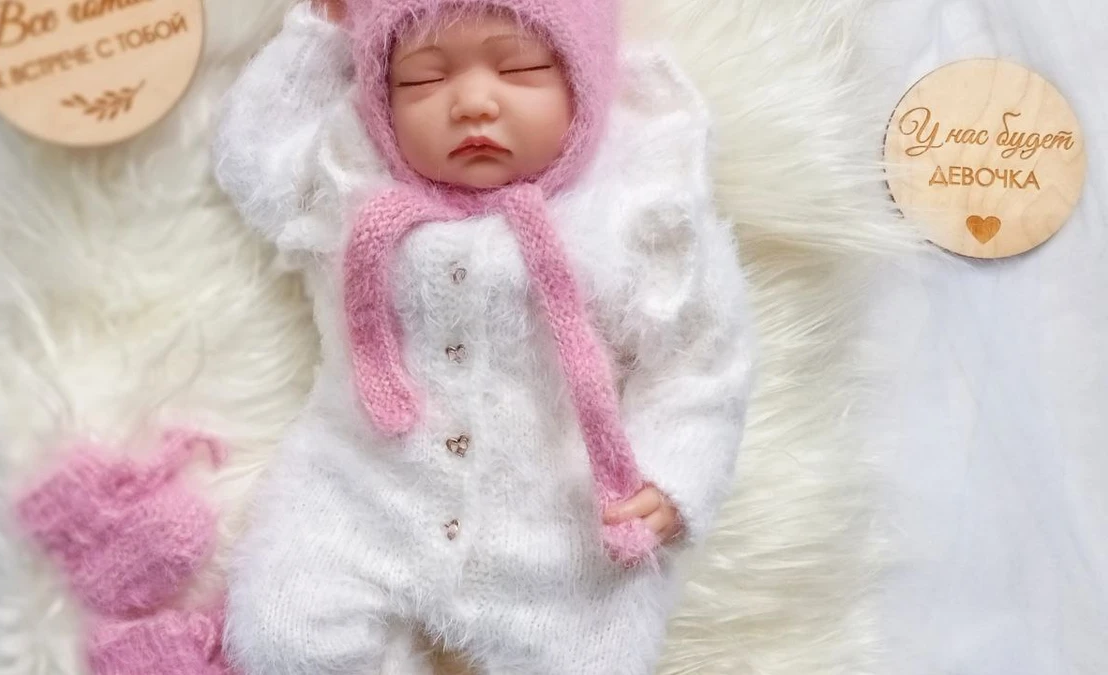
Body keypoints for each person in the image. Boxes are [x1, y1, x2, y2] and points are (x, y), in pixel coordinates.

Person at [213, 0, 754, 672]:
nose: (472, 103)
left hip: (558, 511)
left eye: (519, 69)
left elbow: (701, 357)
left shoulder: (632, 205)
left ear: (583, 81)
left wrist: (672, 473)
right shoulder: (350, 176)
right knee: (284, 635)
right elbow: (253, 159)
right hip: (363, 486)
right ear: (380, 95)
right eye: (423, 79)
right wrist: (322, 32)